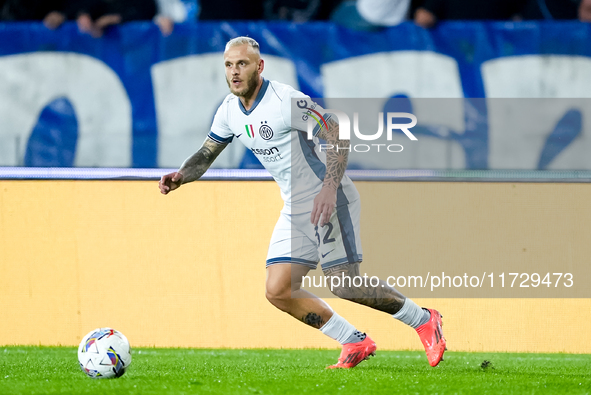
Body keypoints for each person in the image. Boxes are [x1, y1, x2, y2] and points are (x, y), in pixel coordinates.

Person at [158, 36, 446, 369]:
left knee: (345, 284)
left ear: (259, 66)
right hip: (295, 207)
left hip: (329, 197)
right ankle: (354, 341)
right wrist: (181, 175)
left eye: (242, 64)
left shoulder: (286, 101)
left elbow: (336, 131)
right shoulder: (228, 111)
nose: (234, 72)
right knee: (278, 290)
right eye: (228, 65)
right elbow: (207, 153)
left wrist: (327, 188)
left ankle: (424, 319)